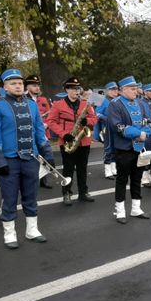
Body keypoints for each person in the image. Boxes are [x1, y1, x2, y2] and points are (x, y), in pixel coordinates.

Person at [0, 69, 54, 249]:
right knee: (9, 198)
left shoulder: (32, 104)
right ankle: (10, 233)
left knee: (31, 195)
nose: (17, 86)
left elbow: (39, 129)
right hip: (9, 159)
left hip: (30, 158)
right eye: (13, 83)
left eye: (20, 83)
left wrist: (47, 151)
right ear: (5, 86)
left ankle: (32, 230)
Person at [107, 76, 151, 223]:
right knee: (122, 179)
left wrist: (145, 133)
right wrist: (139, 134)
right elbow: (117, 126)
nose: (136, 91)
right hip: (124, 148)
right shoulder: (115, 104)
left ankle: (136, 208)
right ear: (123, 90)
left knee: (137, 178)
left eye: (136, 88)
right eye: (132, 89)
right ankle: (120, 211)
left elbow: (147, 121)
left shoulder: (139, 103)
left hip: (139, 148)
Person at [48, 77, 97, 205]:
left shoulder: (85, 104)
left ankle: (83, 192)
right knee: (68, 169)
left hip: (83, 140)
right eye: (74, 89)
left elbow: (94, 118)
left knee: (82, 168)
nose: (77, 91)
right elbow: (51, 122)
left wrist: (88, 122)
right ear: (67, 89)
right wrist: (64, 134)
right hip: (67, 141)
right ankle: (67, 193)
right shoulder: (58, 104)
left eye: (78, 88)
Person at [24, 74, 54, 188]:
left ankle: (44, 178)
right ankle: (33, 179)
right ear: (27, 87)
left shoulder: (43, 99)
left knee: (44, 155)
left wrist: (46, 124)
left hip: (43, 130)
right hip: (29, 132)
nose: (37, 87)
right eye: (33, 85)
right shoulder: (23, 99)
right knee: (32, 157)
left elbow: (50, 114)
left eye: (38, 85)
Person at [94, 81, 119, 180]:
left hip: (116, 127)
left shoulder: (118, 100)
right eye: (113, 89)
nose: (115, 91)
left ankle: (114, 169)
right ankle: (107, 170)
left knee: (115, 148)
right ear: (107, 91)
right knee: (108, 148)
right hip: (106, 127)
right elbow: (97, 114)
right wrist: (105, 118)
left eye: (116, 89)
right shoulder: (102, 100)